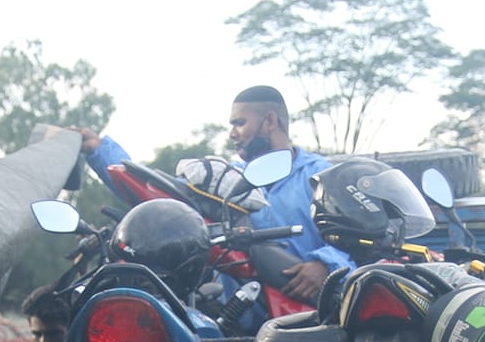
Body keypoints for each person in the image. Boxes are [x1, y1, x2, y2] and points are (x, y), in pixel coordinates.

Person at [79, 85, 351, 308]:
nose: (232, 133)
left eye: (240, 123)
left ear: (270, 121)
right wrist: (100, 151)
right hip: (234, 330)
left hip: (312, 326)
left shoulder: (323, 177)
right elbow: (164, 199)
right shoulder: (225, 182)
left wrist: (326, 265)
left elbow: (362, 239)